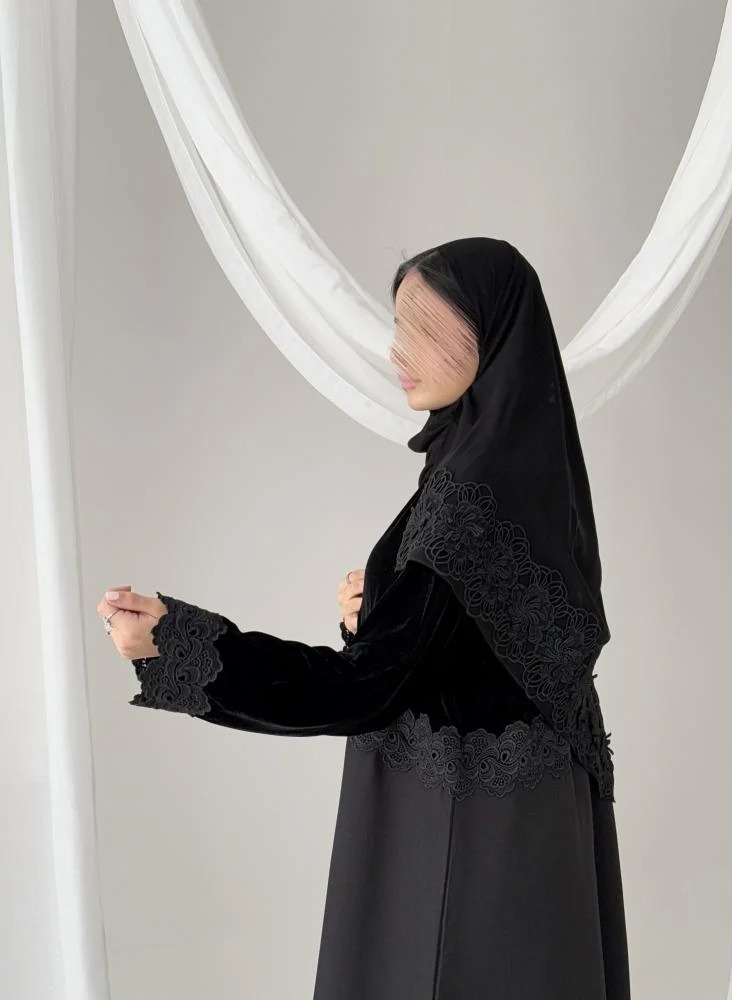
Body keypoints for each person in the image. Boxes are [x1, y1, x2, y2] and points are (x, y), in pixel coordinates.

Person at [98, 237, 630, 999]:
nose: (397, 351)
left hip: (463, 840)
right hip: (535, 831)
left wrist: (173, 642)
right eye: (399, 325)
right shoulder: (526, 465)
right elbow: (508, 638)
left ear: (492, 337)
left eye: (426, 327)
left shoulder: (469, 500)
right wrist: (386, 606)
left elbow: (360, 689)